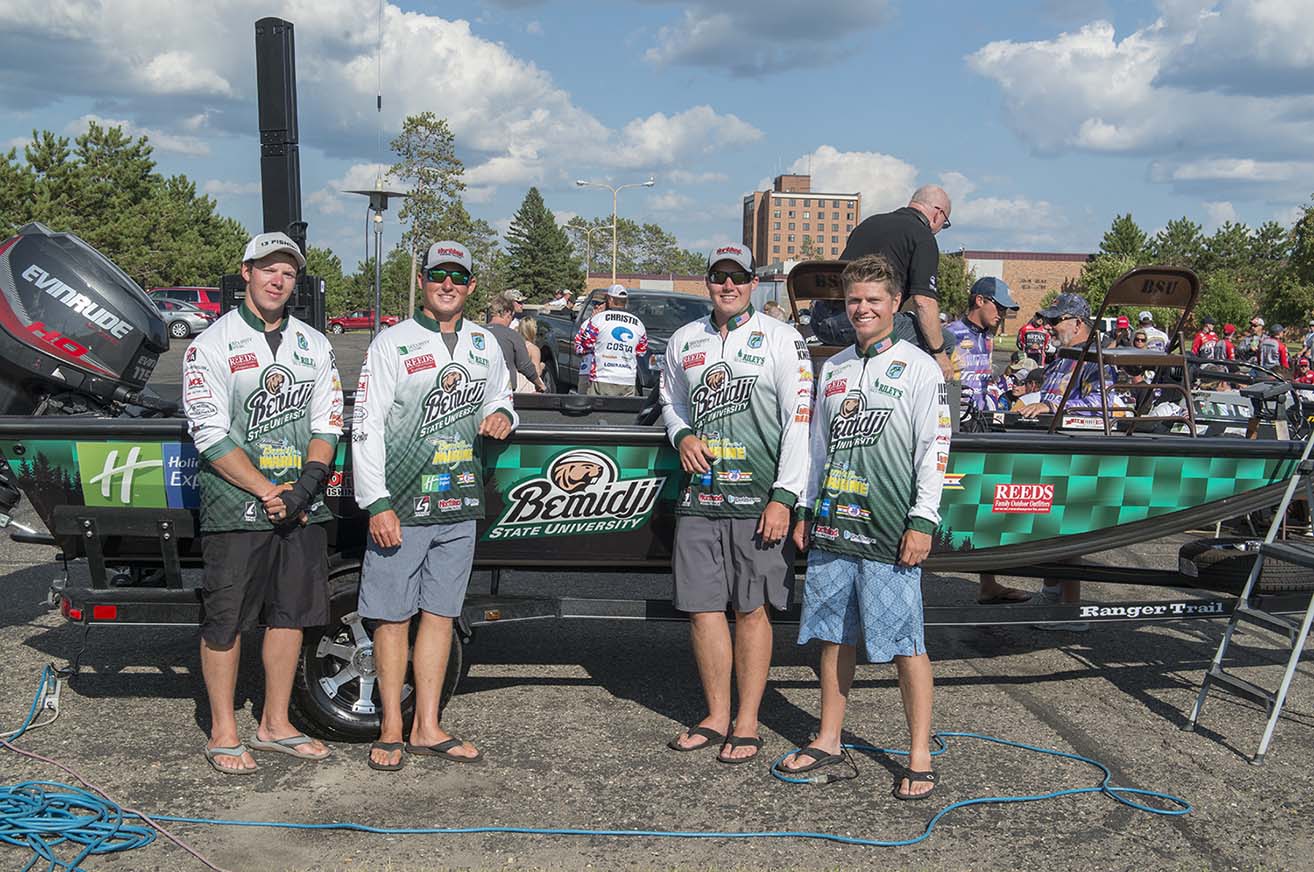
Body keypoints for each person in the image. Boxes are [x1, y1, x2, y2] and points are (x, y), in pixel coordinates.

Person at [780, 253, 949, 799]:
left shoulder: (920, 367)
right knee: (832, 634)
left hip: (890, 530)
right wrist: (806, 508)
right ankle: (829, 736)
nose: (862, 309)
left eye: (873, 300)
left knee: (906, 642)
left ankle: (919, 752)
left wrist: (923, 520)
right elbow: (817, 449)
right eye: (854, 300)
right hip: (834, 527)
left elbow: (935, 449)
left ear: (895, 304)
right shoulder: (834, 369)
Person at [352, 240, 518, 771]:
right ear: (422, 281)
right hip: (401, 505)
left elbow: (502, 395)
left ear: (471, 286)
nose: (448, 285)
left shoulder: (484, 343)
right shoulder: (392, 343)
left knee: (441, 616)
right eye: (438, 275)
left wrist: (501, 415)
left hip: (459, 503)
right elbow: (367, 425)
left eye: (458, 277)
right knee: (392, 619)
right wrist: (376, 502)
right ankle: (392, 729)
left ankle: (427, 725)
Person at [183, 232, 343, 774]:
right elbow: (208, 432)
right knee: (225, 620)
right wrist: (265, 489)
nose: (278, 280)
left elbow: (327, 424)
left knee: (289, 617)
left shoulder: (314, 345)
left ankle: (274, 723)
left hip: (301, 504)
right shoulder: (211, 343)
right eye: (269, 269)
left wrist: (303, 486)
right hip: (236, 507)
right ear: (247, 272)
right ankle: (224, 730)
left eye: (289, 273)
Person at [658, 241, 813, 764]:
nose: (728, 286)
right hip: (700, 498)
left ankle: (747, 721)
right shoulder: (684, 339)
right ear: (708, 281)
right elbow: (671, 402)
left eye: (739, 277)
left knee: (751, 610)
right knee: (703, 611)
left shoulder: (781, 339)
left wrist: (785, 498)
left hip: (757, 501)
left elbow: (800, 424)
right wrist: (680, 435)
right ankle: (716, 715)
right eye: (720, 276)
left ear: (753, 283)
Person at [839, 185, 955, 380]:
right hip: (860, 323)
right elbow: (923, 302)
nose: (941, 228)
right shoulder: (922, 236)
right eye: (945, 223)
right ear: (938, 214)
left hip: (824, 322)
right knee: (947, 340)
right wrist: (940, 355)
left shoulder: (868, 223)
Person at [1015, 293, 1124, 421]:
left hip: (1075, 438)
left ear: (1077, 324)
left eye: (1054, 321)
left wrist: (1052, 407)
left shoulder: (1095, 360)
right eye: (1047, 321)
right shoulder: (1060, 359)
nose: (1047, 326)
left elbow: (1101, 406)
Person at [946, 277, 1019, 412]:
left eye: (1004, 309)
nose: (1002, 314)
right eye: (999, 307)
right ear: (979, 300)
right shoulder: (950, 334)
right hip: (955, 417)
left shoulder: (988, 337)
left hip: (980, 416)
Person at [574, 284, 648, 397]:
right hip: (628, 380)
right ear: (625, 302)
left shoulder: (598, 320)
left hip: (601, 378)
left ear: (610, 299)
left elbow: (584, 346)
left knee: (598, 412)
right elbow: (641, 351)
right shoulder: (638, 324)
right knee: (621, 413)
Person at [486, 293, 545, 392]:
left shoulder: (478, 332)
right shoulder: (512, 335)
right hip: (503, 390)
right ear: (508, 313)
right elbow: (525, 366)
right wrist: (539, 384)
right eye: (511, 316)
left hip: (480, 389)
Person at [576, 296, 605, 392]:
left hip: (604, 373)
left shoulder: (609, 324)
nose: (596, 310)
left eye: (600, 308)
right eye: (595, 308)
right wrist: (591, 349)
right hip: (587, 370)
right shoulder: (587, 324)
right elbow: (578, 346)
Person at [518, 316, 547, 389]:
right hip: (526, 385)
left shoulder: (514, 345)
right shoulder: (533, 349)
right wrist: (541, 366)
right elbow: (536, 372)